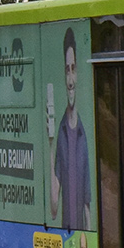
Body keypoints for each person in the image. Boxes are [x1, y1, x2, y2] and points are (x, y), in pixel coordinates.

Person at [49, 27, 91, 231]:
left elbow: (87, 206)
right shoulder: (61, 133)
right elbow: (54, 207)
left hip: (83, 241)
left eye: (74, 69)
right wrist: (50, 147)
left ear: (78, 74)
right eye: (67, 70)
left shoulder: (84, 136)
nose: (71, 79)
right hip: (65, 237)